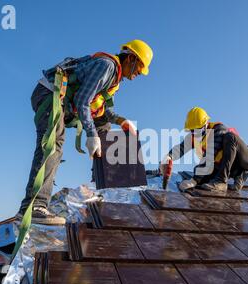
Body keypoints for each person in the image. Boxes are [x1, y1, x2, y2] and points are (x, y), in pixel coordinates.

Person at [17, 40, 153, 225]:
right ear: (131, 58)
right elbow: (82, 100)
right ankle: (34, 207)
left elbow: (100, 108)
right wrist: (91, 134)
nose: (138, 74)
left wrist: (120, 120)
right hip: (50, 95)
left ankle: (104, 183)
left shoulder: (115, 78)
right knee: (54, 142)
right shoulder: (107, 66)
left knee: (103, 124)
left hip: (64, 101)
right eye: (139, 68)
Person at [162, 107, 248, 193]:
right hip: (227, 167)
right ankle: (237, 175)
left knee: (230, 137)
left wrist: (194, 180)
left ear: (206, 124)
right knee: (201, 175)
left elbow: (210, 155)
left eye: (198, 130)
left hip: (246, 161)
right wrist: (168, 157)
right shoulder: (194, 136)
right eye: (192, 130)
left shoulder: (218, 130)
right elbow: (181, 148)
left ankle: (223, 181)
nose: (195, 133)